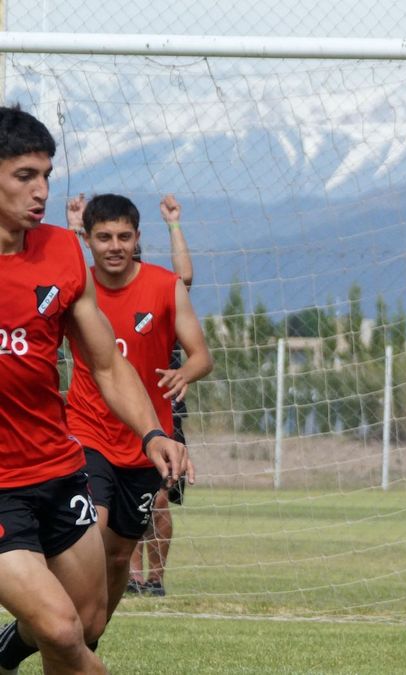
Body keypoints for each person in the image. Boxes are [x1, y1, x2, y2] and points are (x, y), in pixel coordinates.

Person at [0, 105, 191, 674]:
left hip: (57, 470)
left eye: (46, 175)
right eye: (24, 176)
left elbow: (106, 363)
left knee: (86, 623)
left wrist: (153, 432)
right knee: (59, 628)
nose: (41, 190)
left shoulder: (62, 251)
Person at [57, 191, 211, 625]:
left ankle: (89, 634)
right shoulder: (76, 290)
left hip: (148, 440)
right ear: (88, 239)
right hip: (88, 433)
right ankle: (57, 624)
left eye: (123, 237)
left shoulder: (164, 286)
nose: (115, 246)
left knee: (119, 555)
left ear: (137, 237)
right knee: (89, 533)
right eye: (104, 237)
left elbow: (201, 355)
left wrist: (185, 373)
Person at [127, 194, 194, 597]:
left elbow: (184, 277)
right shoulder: (95, 296)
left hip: (164, 411)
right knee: (125, 499)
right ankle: (131, 577)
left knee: (159, 499)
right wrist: (76, 228)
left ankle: (155, 577)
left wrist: (173, 224)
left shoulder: (160, 291)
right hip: (116, 412)